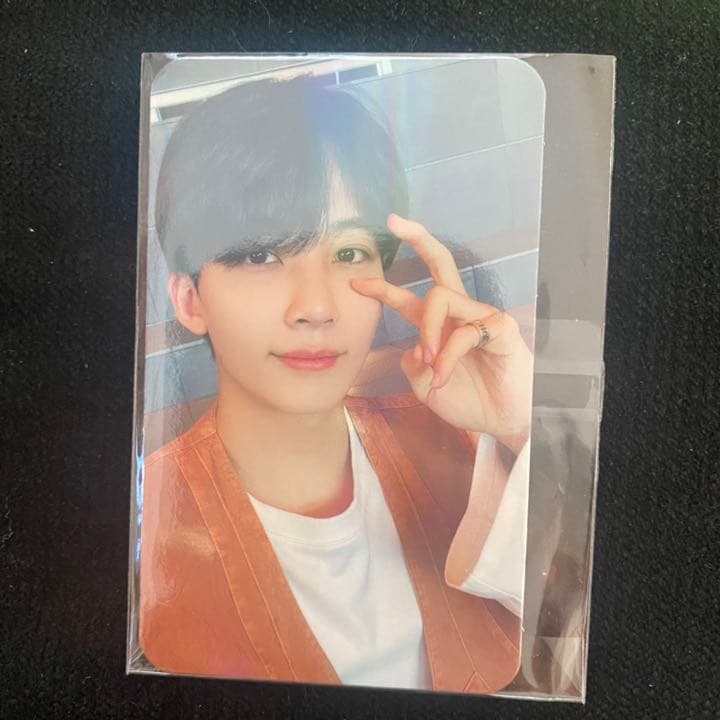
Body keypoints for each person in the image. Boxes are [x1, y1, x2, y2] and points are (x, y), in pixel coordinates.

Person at [138, 73, 534, 694]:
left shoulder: (461, 445)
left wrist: (523, 429)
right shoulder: (145, 535)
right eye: (260, 255)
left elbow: (574, 628)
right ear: (191, 300)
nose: (316, 307)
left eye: (348, 252)